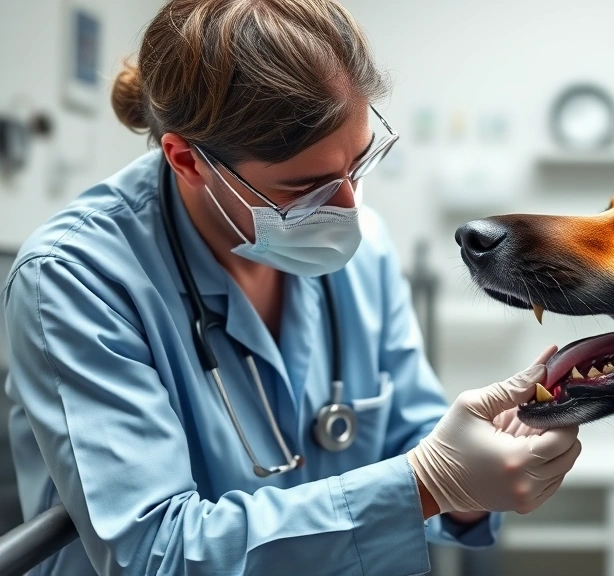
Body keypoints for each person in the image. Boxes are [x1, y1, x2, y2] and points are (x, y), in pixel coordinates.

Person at [1, 1, 582, 574]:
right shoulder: (75, 280)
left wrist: (477, 481)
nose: (348, 208)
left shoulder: (364, 250)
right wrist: (426, 485)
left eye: (357, 166)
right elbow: (157, 553)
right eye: (305, 189)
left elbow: (412, 434)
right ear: (187, 160)